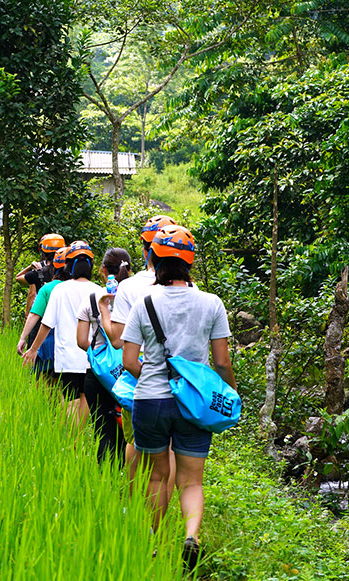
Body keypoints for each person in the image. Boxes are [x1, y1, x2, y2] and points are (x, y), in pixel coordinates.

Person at [120, 225, 236, 571]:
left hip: (151, 401)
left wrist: (157, 380)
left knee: (157, 477)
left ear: (153, 259)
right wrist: (226, 391)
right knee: (192, 480)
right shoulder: (211, 303)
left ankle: (153, 543)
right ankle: (191, 537)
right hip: (193, 405)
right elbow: (222, 362)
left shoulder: (144, 303)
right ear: (190, 263)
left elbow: (128, 360)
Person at [98, 215, 178, 480]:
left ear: (147, 250)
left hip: (140, 374)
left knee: (135, 442)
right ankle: (167, 511)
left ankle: (134, 505)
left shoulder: (129, 287)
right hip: (178, 377)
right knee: (170, 448)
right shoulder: (189, 287)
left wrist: (103, 310)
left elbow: (118, 340)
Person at [22, 241, 105, 426]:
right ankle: (78, 438)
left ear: (68, 265)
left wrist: (33, 349)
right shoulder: (98, 291)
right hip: (92, 357)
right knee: (84, 398)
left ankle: (70, 440)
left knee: (70, 399)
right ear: (91, 266)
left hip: (67, 358)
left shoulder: (60, 290)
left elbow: (47, 323)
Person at [75, 248, 131, 463]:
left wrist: (102, 357)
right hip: (131, 371)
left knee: (104, 431)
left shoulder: (93, 298)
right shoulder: (136, 294)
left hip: (99, 377)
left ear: (103, 270)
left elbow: (81, 341)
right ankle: (132, 485)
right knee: (130, 434)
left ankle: (106, 480)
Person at [17, 246, 70, 380]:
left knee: (44, 382)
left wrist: (23, 338)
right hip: (74, 345)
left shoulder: (47, 288)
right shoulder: (87, 288)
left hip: (48, 342)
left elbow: (35, 314)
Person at [16, 234, 65, 318]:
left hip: (42, 312)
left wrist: (30, 267)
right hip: (62, 312)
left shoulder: (38, 271)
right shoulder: (68, 271)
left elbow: (19, 278)